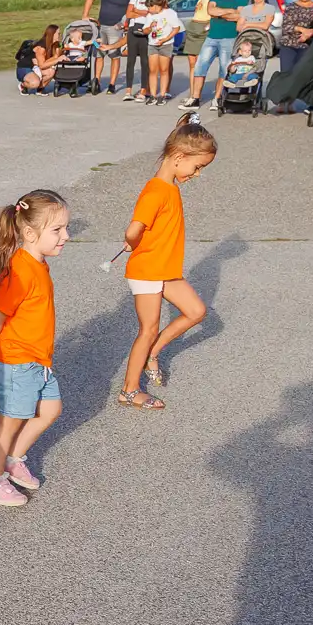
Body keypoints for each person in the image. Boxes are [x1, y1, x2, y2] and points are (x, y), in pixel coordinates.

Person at [0, 189, 68, 508]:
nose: (65, 236)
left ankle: (13, 459)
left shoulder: (37, 263)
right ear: (29, 233)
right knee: (7, 424)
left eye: (65, 228)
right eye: (57, 230)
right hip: (15, 361)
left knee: (51, 410)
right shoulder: (21, 271)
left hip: (36, 361)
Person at [117, 122, 217, 410]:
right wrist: (133, 241)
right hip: (148, 270)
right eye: (197, 167)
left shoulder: (170, 189)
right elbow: (133, 228)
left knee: (196, 311)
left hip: (165, 269)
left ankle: (154, 353)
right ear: (177, 158)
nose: (196, 174)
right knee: (147, 329)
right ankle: (129, 390)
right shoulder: (156, 191)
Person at [183, 0, 248, 110]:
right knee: (200, 66)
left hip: (229, 37)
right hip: (212, 36)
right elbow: (210, 10)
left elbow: (239, 15)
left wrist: (221, 13)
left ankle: (217, 99)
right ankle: (195, 98)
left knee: (224, 68)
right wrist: (229, 11)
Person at [84, 0, 135, 94]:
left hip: (116, 27)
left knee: (114, 55)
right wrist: (85, 14)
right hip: (101, 25)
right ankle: (96, 81)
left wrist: (125, 23)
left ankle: (112, 84)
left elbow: (132, 9)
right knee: (99, 54)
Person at [123, 0, 158, 99]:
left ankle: (144, 89)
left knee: (145, 61)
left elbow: (152, 13)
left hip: (147, 29)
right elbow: (128, 13)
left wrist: (136, 11)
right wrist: (141, 12)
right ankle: (128, 90)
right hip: (134, 27)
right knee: (130, 60)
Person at [143, 0, 182, 105]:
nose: (148, 10)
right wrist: (150, 27)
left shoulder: (170, 13)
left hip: (166, 44)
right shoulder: (150, 16)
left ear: (155, 6)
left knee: (164, 70)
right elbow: (145, 30)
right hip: (152, 44)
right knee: (152, 70)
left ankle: (163, 95)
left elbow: (176, 28)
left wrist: (165, 39)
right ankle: (153, 95)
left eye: (149, 7)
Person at [16, 25, 60, 95]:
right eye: (58, 33)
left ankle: (40, 89)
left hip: (36, 67)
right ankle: (23, 85)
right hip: (25, 67)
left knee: (51, 71)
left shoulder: (54, 45)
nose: (59, 36)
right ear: (52, 34)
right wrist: (57, 59)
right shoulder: (41, 47)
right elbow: (42, 65)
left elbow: (51, 59)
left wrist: (57, 56)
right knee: (34, 83)